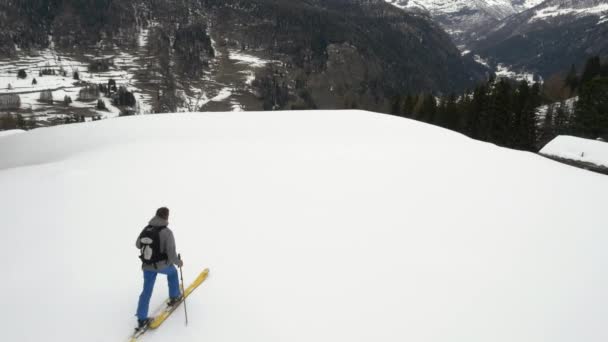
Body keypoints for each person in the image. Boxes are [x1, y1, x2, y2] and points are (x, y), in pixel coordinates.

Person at [135, 207, 183, 328]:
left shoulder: (146, 228)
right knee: (172, 273)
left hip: (147, 266)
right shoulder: (167, 232)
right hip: (161, 265)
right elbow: (172, 256)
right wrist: (179, 262)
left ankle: (141, 319)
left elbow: (137, 244)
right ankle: (174, 296)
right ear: (166, 217)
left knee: (146, 291)